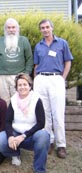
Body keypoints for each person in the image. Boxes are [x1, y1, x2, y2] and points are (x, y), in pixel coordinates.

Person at [0, 73, 50, 173]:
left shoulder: (36, 99)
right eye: (19, 85)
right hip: (16, 132)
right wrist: (10, 136)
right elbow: (8, 121)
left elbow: (41, 123)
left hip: (32, 134)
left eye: (25, 84)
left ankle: (39, 168)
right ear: (16, 87)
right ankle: (15, 153)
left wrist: (24, 136)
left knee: (44, 136)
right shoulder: (13, 100)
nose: (22, 87)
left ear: (30, 86)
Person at [33, 19, 73, 159]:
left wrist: (63, 77)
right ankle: (48, 141)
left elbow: (68, 61)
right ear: (40, 30)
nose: (45, 30)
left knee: (58, 113)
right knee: (44, 113)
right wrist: (35, 80)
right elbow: (36, 66)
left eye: (47, 27)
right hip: (41, 79)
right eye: (42, 28)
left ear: (52, 28)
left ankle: (61, 145)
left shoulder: (62, 43)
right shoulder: (38, 46)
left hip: (56, 79)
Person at [0, 18, 33, 105]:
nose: (11, 30)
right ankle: (6, 119)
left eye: (13, 27)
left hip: (18, 76)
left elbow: (29, 58)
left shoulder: (23, 40)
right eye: (8, 27)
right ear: (5, 29)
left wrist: (26, 74)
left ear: (17, 29)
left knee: (19, 102)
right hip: (1, 77)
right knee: (3, 102)